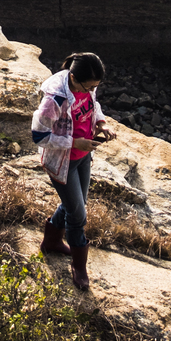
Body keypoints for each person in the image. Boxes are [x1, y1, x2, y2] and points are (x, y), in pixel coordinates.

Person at [30, 52, 115, 291]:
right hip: (62, 161)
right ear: (74, 78)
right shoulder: (54, 101)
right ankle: (79, 268)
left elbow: (93, 106)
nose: (91, 91)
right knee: (78, 216)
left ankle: (51, 241)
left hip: (82, 157)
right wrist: (75, 143)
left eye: (95, 87)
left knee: (76, 204)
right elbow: (39, 136)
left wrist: (102, 124)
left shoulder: (86, 88)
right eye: (89, 86)